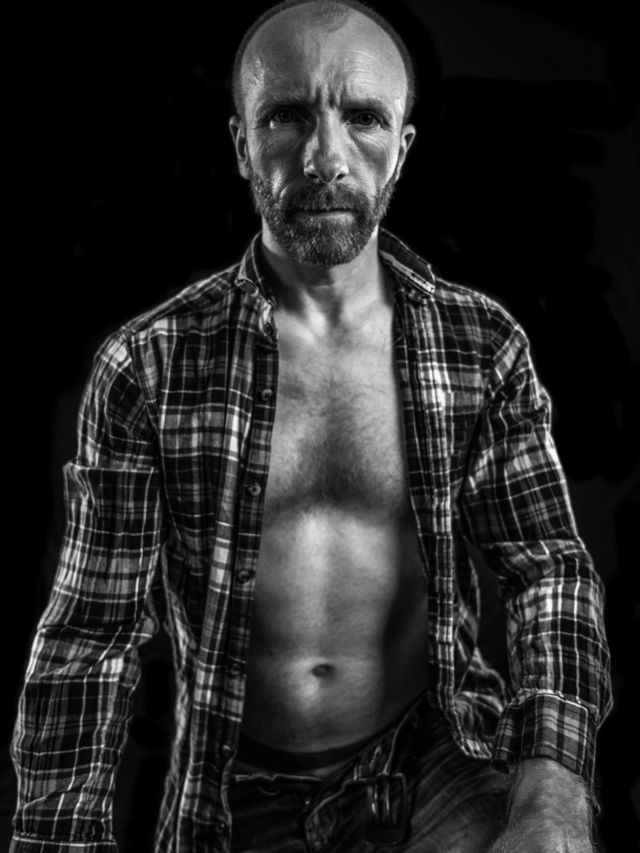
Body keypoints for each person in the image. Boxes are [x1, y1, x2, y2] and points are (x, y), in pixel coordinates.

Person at [11, 1, 612, 851]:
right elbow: (92, 637)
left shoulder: (480, 345)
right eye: (287, 115)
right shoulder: (149, 365)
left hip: (433, 761)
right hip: (237, 789)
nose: (326, 157)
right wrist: (58, 839)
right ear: (240, 143)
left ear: (402, 148)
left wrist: (553, 784)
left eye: (363, 117)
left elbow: (548, 567)